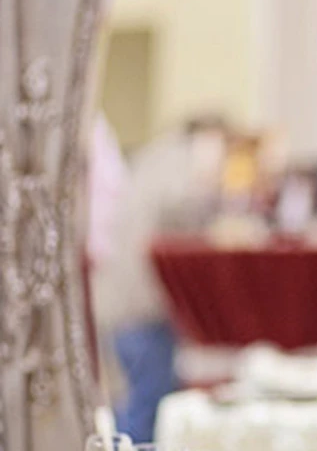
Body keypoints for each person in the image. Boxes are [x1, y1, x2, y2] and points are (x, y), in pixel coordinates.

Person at [90, 116, 227, 442]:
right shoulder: (180, 164)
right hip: (141, 305)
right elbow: (182, 214)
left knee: (134, 402)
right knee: (146, 406)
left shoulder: (154, 159)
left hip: (118, 299)